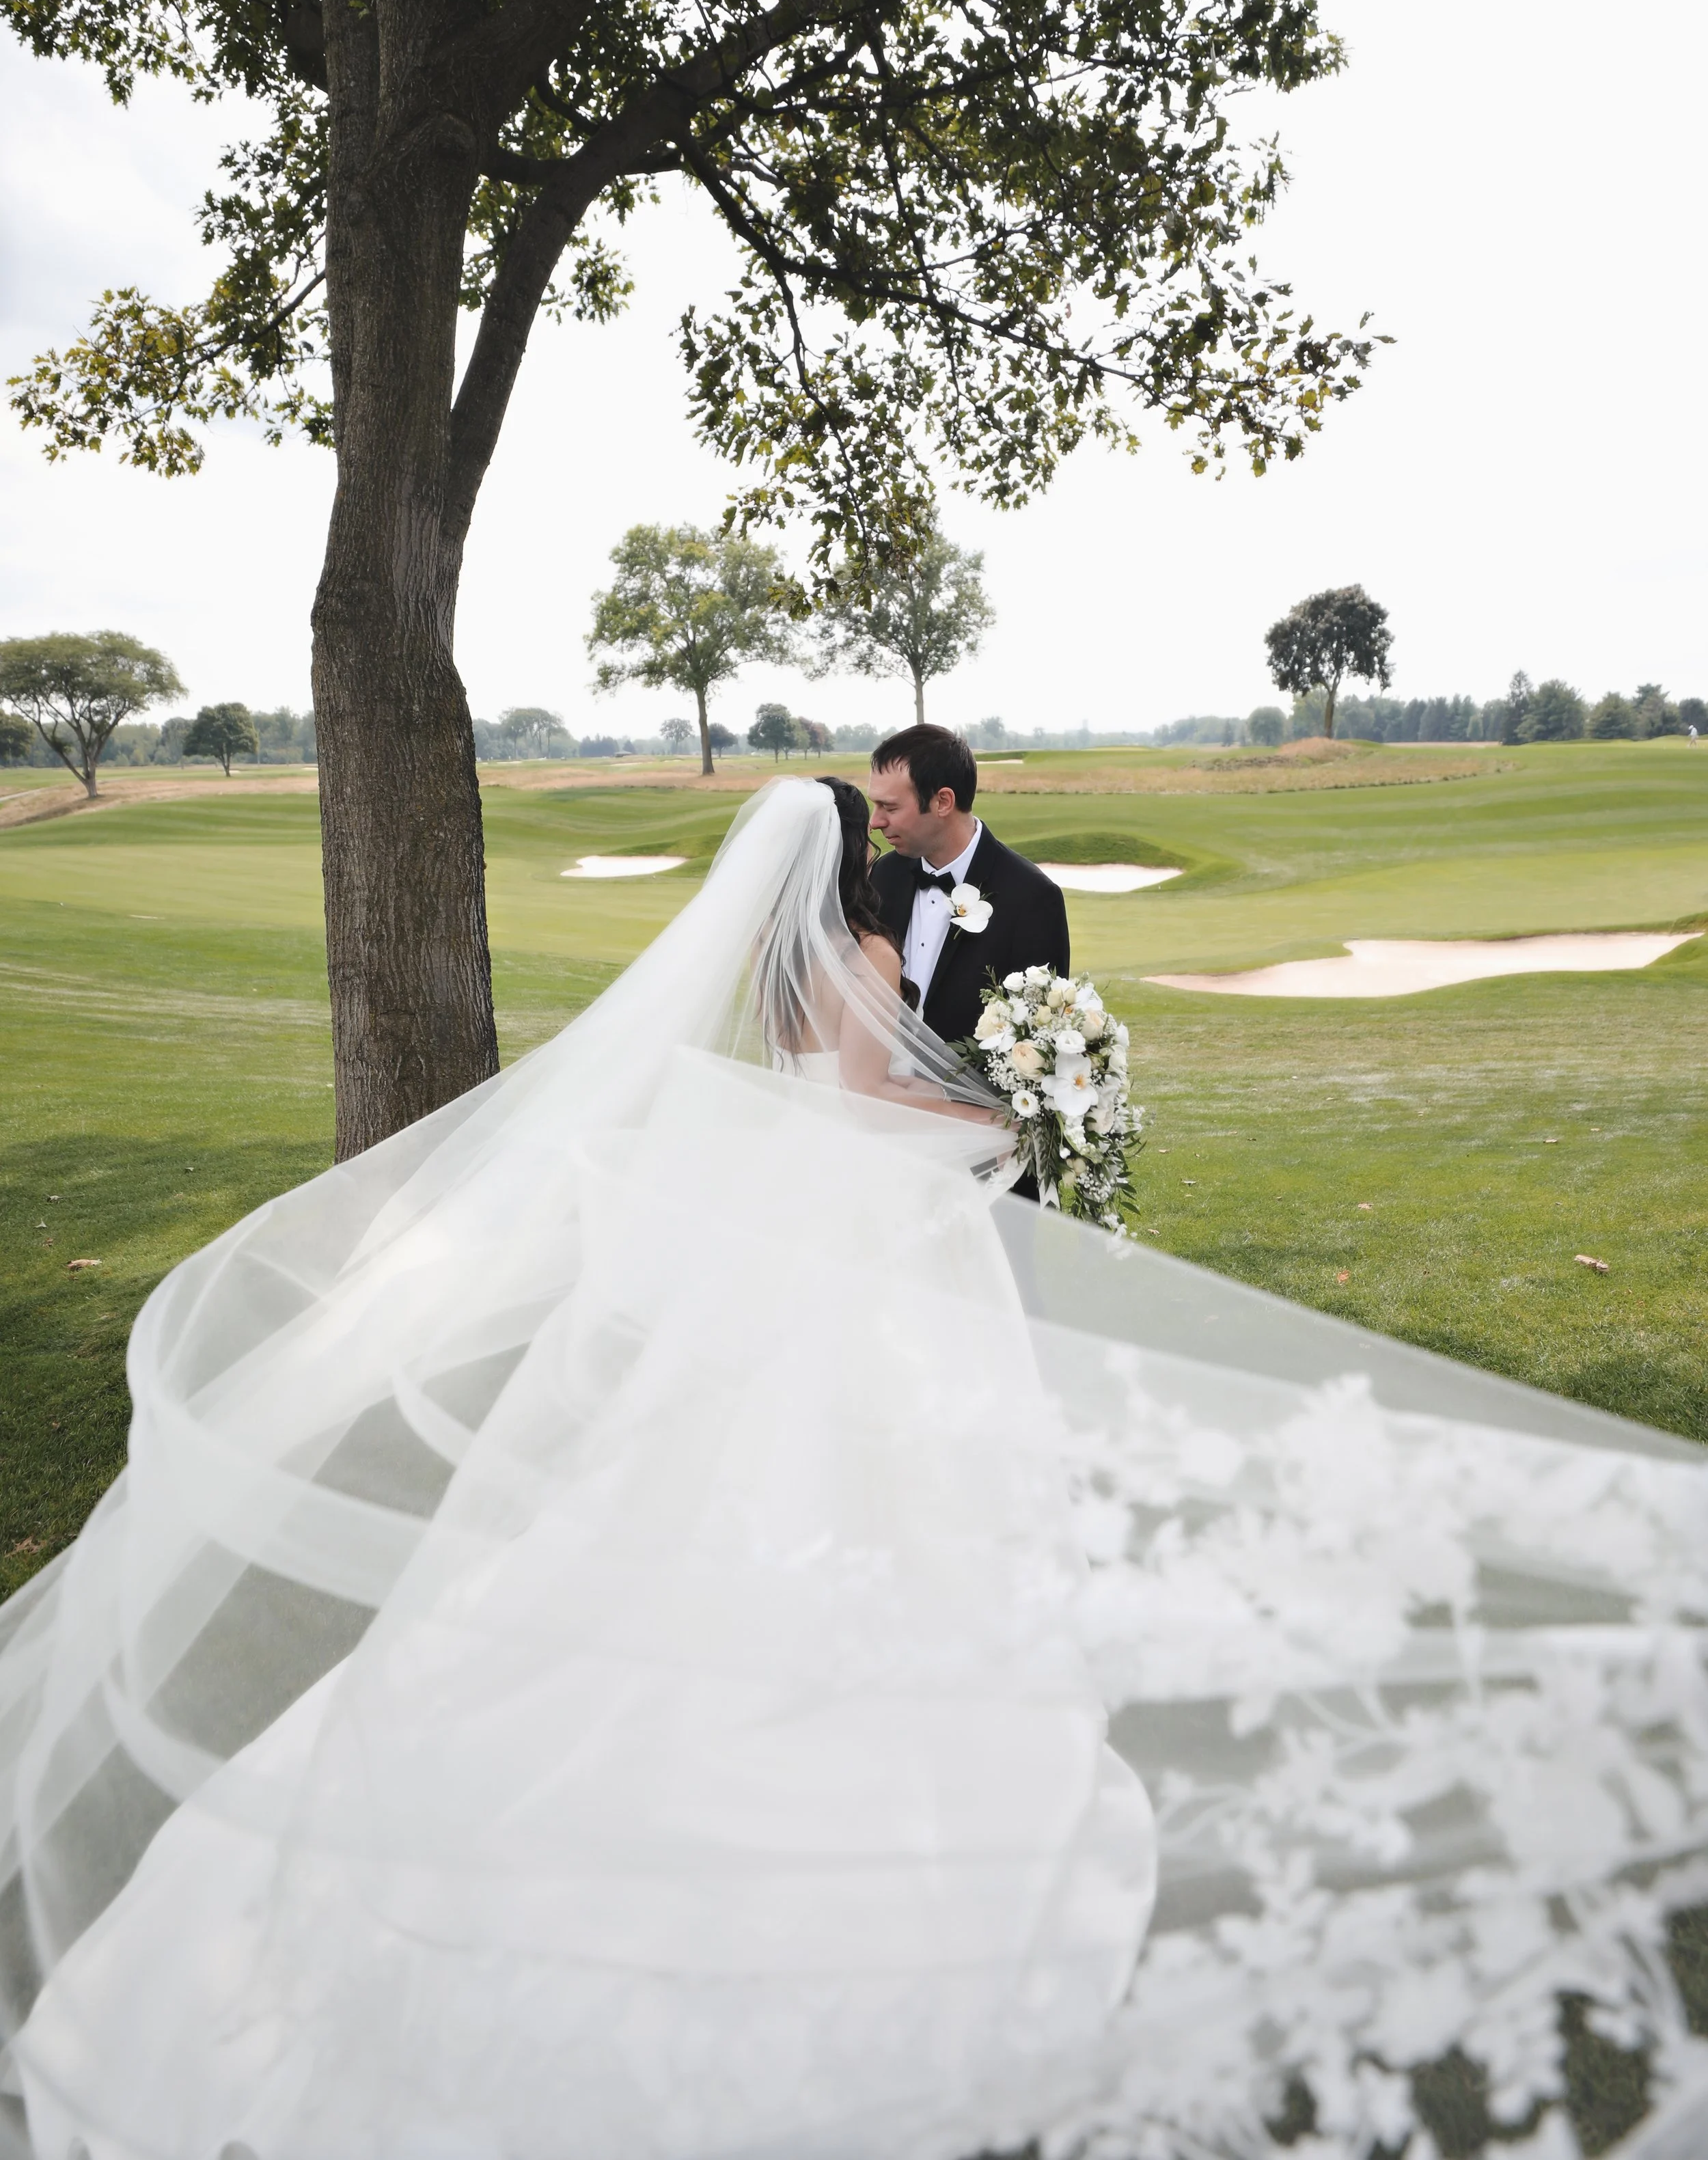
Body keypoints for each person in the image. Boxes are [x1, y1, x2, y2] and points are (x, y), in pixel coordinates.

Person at [4, 777, 1707, 2160]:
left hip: (814, 1261)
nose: (891, 844)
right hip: (872, 1258)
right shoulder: (857, 967)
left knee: (717, 1521)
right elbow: (905, 1112)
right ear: (841, 873)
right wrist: (1030, 1112)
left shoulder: (765, 993)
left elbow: (818, 1103)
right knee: (859, 1511)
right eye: (872, 831)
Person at [868, 724, 1070, 1049]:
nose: (875, 821)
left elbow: (1039, 1036)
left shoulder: (1032, 898)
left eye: (890, 807)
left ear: (943, 802)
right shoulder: (882, 876)